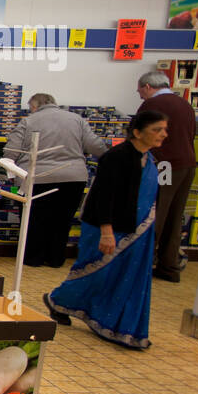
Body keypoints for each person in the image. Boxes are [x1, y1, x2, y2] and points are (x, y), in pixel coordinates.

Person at [44, 110, 168, 351]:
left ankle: (119, 325)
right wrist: (107, 231)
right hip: (108, 226)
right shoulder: (117, 157)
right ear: (137, 132)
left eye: (164, 129)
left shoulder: (150, 159)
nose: (163, 134)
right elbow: (103, 196)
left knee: (124, 277)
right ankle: (58, 300)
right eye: (157, 129)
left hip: (136, 230)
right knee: (96, 273)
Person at [3, 93, 108, 267]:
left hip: (38, 177)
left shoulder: (29, 121)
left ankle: (33, 258)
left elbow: (11, 152)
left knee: (35, 220)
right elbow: (96, 146)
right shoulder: (77, 120)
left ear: (35, 106)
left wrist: (11, 170)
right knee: (62, 220)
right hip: (73, 178)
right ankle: (56, 258)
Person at [136, 70, 197, 282]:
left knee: (156, 212)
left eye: (140, 90)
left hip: (165, 166)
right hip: (187, 165)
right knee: (175, 215)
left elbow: (140, 135)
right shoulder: (185, 104)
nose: (139, 94)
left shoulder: (153, 105)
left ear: (148, 86)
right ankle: (169, 266)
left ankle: (142, 265)